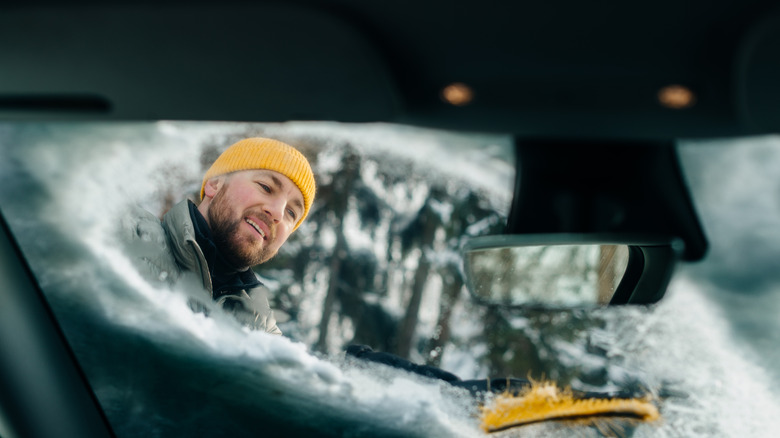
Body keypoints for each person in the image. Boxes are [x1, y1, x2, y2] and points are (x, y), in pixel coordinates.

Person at [121, 137, 316, 335]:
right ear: (215, 183)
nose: (278, 213)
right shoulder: (123, 232)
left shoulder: (262, 332)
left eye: (291, 213)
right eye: (265, 187)